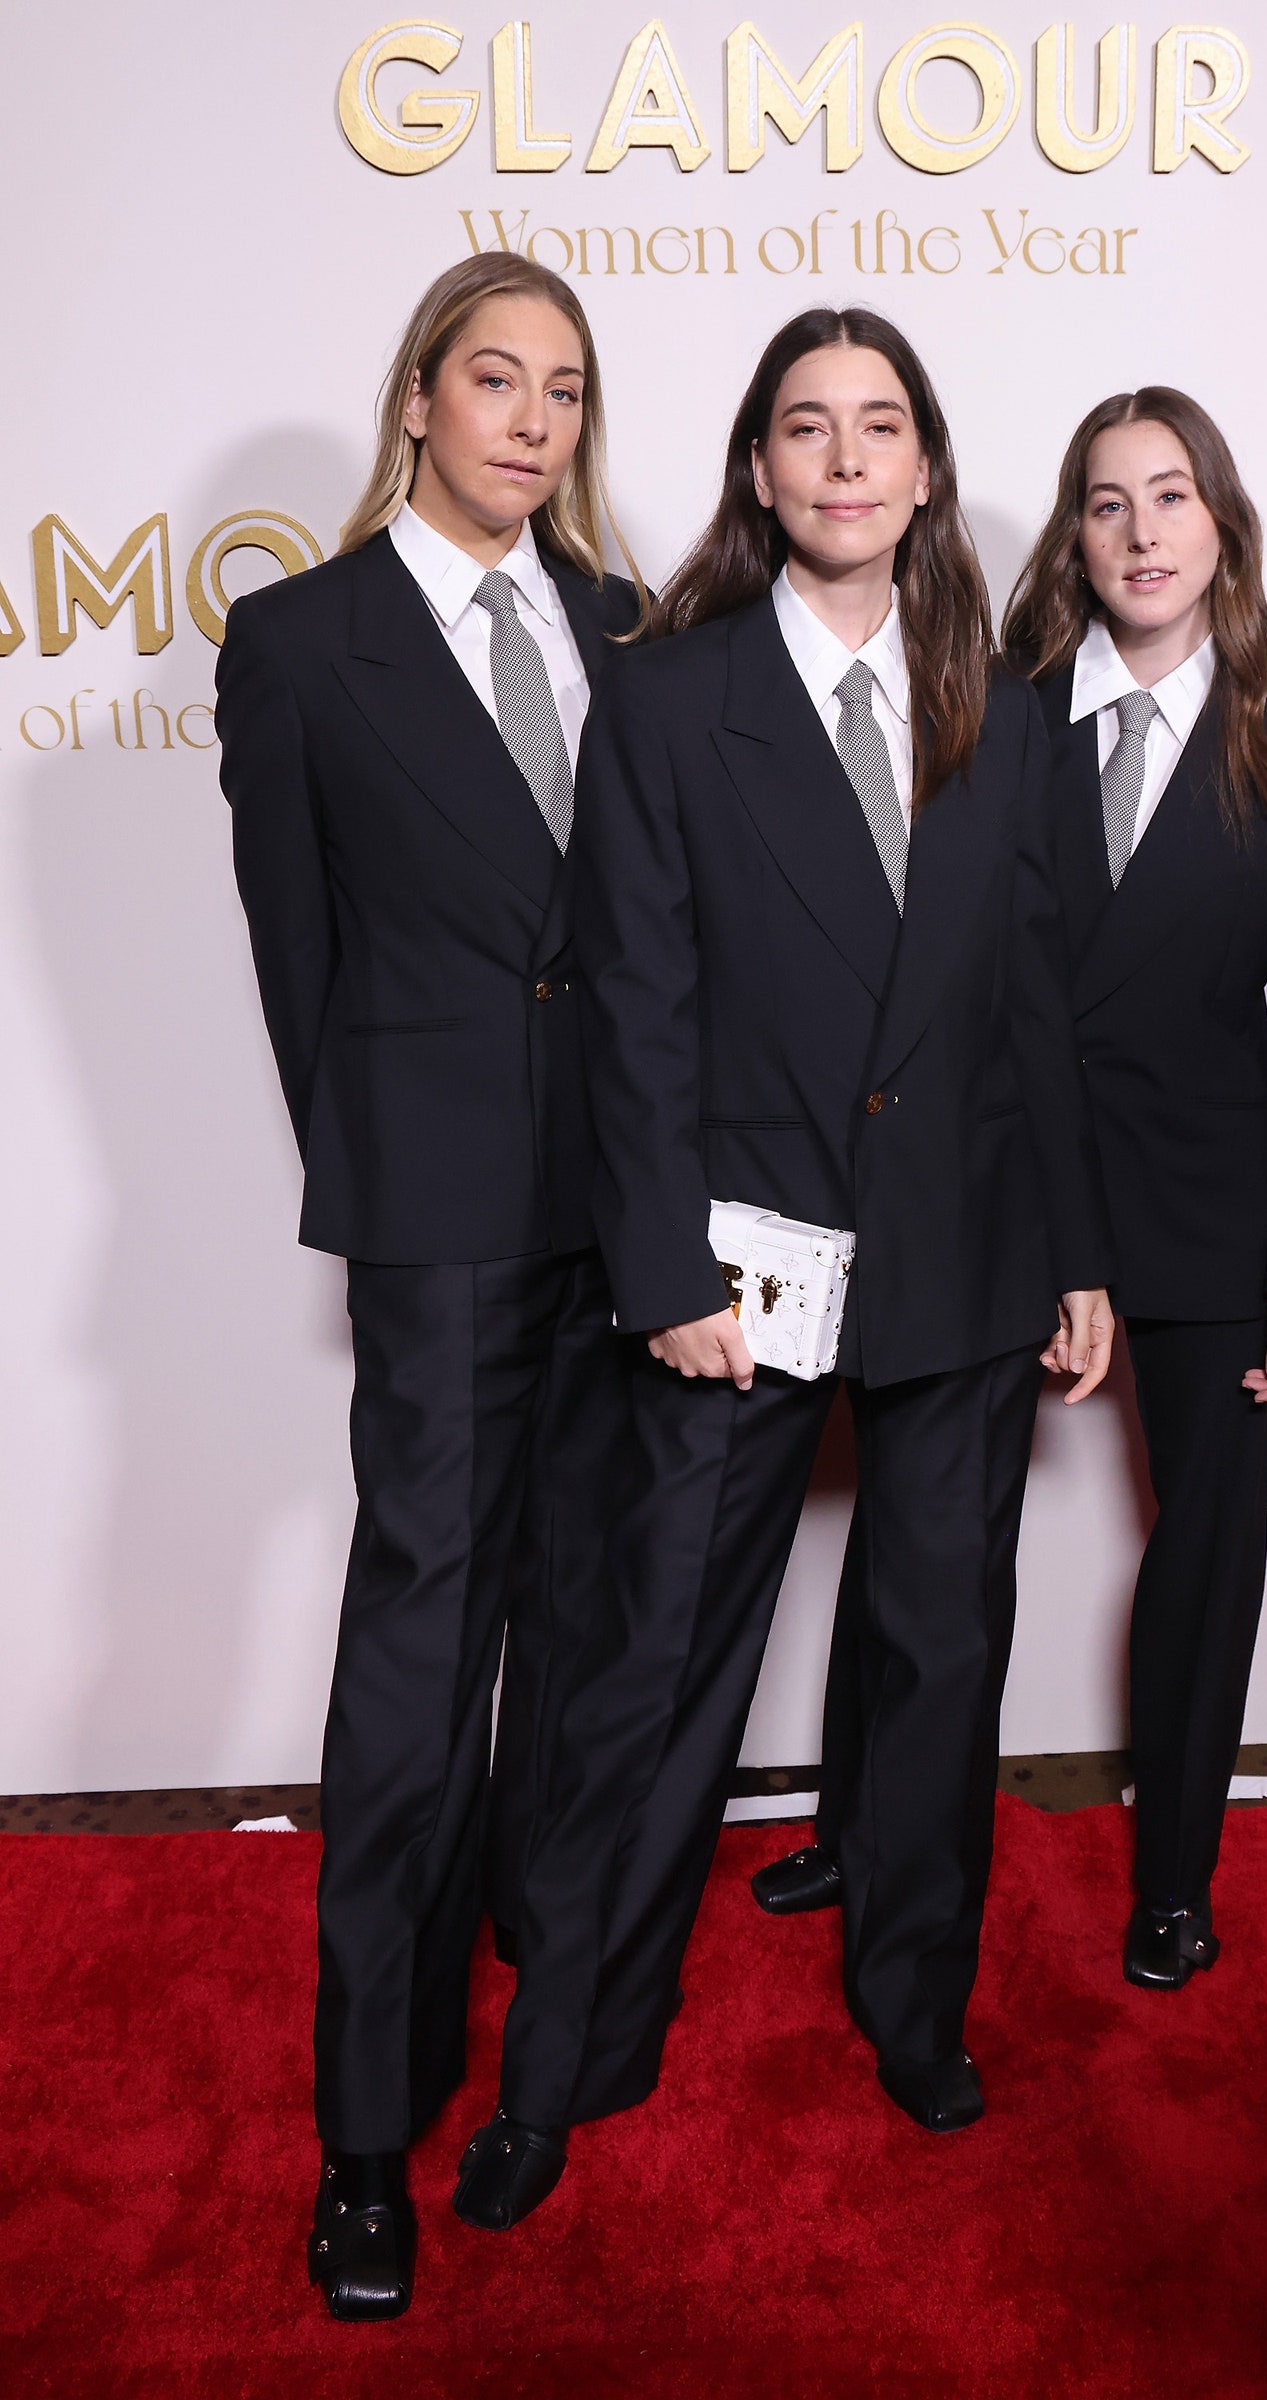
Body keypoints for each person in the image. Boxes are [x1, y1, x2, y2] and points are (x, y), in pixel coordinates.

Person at [446, 307, 1114, 2236]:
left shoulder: (1008, 695)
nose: (842, 459)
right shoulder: (672, 697)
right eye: (804, 429)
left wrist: (1071, 1250)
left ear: (921, 468)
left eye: (879, 427)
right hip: (734, 1280)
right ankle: (568, 2050)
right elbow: (635, 1014)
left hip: (967, 1261)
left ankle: (917, 2007)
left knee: (938, 1658)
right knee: (652, 1673)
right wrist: (662, 1267)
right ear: (757, 469)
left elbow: (1035, 1010)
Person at [214, 253, 645, 2320]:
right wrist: (401, 1175)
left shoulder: (628, 625)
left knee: (579, 1629)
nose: (532, 419)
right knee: (418, 1650)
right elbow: (300, 973)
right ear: (418, 398)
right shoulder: (300, 643)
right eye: (497, 378)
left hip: (626, 1221)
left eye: (564, 388)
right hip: (444, 1216)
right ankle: (363, 2126)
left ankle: (539, 2002)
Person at [1003, 386, 1267, 1989]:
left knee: (1212, 1548)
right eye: (1106, 503)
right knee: (922, 1535)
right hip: (1009, 1186)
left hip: (1218, 1210)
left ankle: (1174, 1872)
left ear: (1221, 522)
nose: (1142, 533)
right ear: (1075, 539)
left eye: (1170, 496)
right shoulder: (1002, 717)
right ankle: (866, 1822)